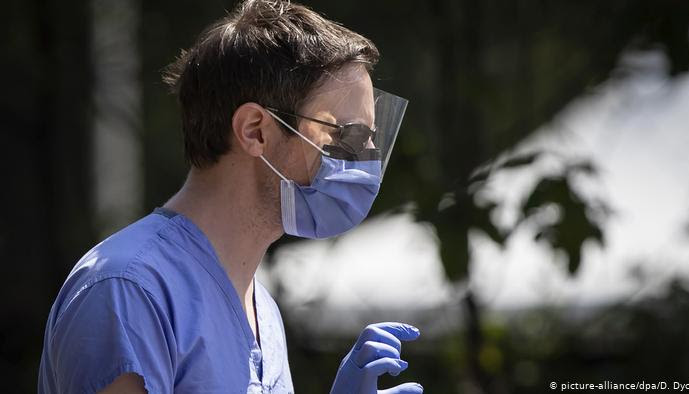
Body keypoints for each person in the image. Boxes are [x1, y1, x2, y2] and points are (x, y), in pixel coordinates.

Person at [38, 1, 422, 393]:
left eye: (370, 138)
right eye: (346, 134)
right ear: (255, 130)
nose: (364, 161)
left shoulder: (262, 311)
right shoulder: (129, 292)